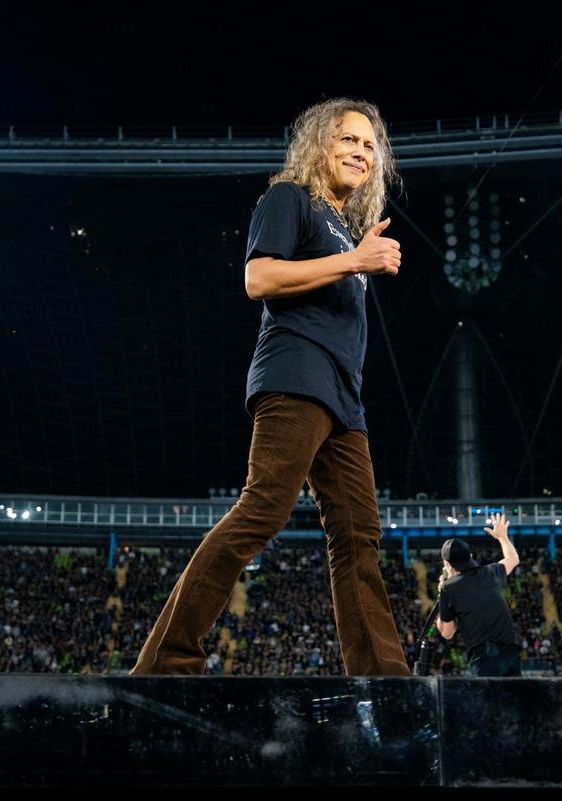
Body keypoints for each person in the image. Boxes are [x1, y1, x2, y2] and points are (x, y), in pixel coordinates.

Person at [131, 98, 407, 676]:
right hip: (296, 376)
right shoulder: (290, 198)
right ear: (320, 145)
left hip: (344, 397)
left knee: (358, 535)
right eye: (347, 139)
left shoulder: (344, 229)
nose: (360, 152)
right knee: (263, 509)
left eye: (369, 145)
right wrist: (354, 261)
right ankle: (165, 662)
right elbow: (259, 278)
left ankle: (384, 680)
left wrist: (355, 257)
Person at [436, 512, 522, 676]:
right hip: (511, 651)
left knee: (484, 694)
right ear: (470, 556)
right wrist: (502, 537)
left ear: (447, 563)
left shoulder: (449, 588)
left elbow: (447, 633)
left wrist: (442, 593)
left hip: (485, 656)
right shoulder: (489, 572)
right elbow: (513, 559)